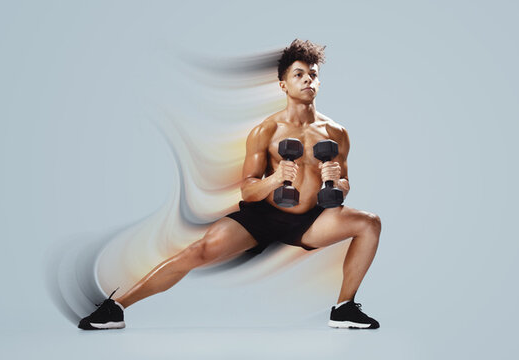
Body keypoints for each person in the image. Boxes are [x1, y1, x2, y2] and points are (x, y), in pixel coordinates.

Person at [79, 39, 381, 330]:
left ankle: (344, 308)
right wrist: (275, 179)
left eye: (312, 75)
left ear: (319, 81)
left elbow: (344, 186)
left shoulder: (336, 132)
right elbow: (248, 190)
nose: (307, 81)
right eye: (298, 75)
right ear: (283, 85)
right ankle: (116, 308)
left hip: (311, 220)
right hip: (263, 216)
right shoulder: (266, 131)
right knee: (198, 251)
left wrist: (336, 180)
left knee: (369, 224)